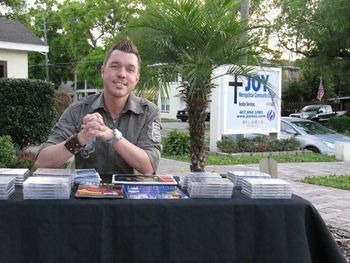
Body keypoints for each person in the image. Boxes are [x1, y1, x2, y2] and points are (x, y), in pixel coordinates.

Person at [34, 38, 161, 175]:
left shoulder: (149, 112)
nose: (122, 74)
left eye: (130, 70)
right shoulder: (78, 110)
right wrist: (81, 138)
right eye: (115, 66)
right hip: (85, 193)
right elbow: (42, 161)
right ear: (103, 72)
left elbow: (149, 166)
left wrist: (113, 137)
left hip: (131, 194)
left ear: (136, 79)